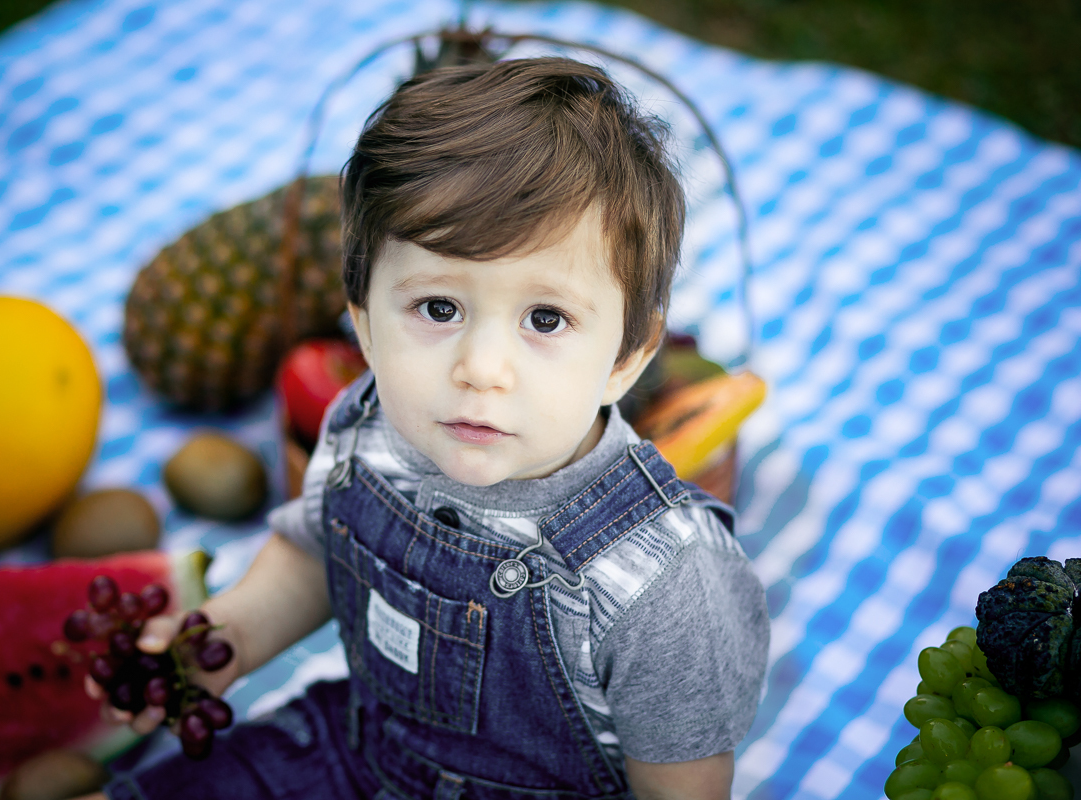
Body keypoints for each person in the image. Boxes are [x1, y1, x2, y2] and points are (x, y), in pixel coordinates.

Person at [89, 56, 769, 800]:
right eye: (438, 308)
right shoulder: (366, 427)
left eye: (545, 318)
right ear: (364, 327)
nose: (481, 368)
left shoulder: (665, 581)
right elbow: (316, 554)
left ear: (627, 358)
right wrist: (225, 640)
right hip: (354, 756)